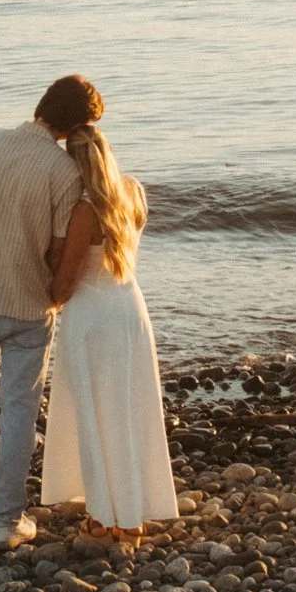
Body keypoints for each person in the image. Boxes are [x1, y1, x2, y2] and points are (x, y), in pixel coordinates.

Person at [0, 74, 102, 550]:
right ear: (75, 127)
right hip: (28, 308)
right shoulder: (63, 173)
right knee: (18, 415)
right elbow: (57, 253)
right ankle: (8, 522)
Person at [40, 122, 178, 542]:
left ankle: (105, 516)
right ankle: (131, 510)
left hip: (92, 318)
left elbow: (64, 285)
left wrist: (39, 293)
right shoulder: (133, 191)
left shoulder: (84, 210)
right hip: (129, 308)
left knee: (96, 413)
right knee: (130, 411)